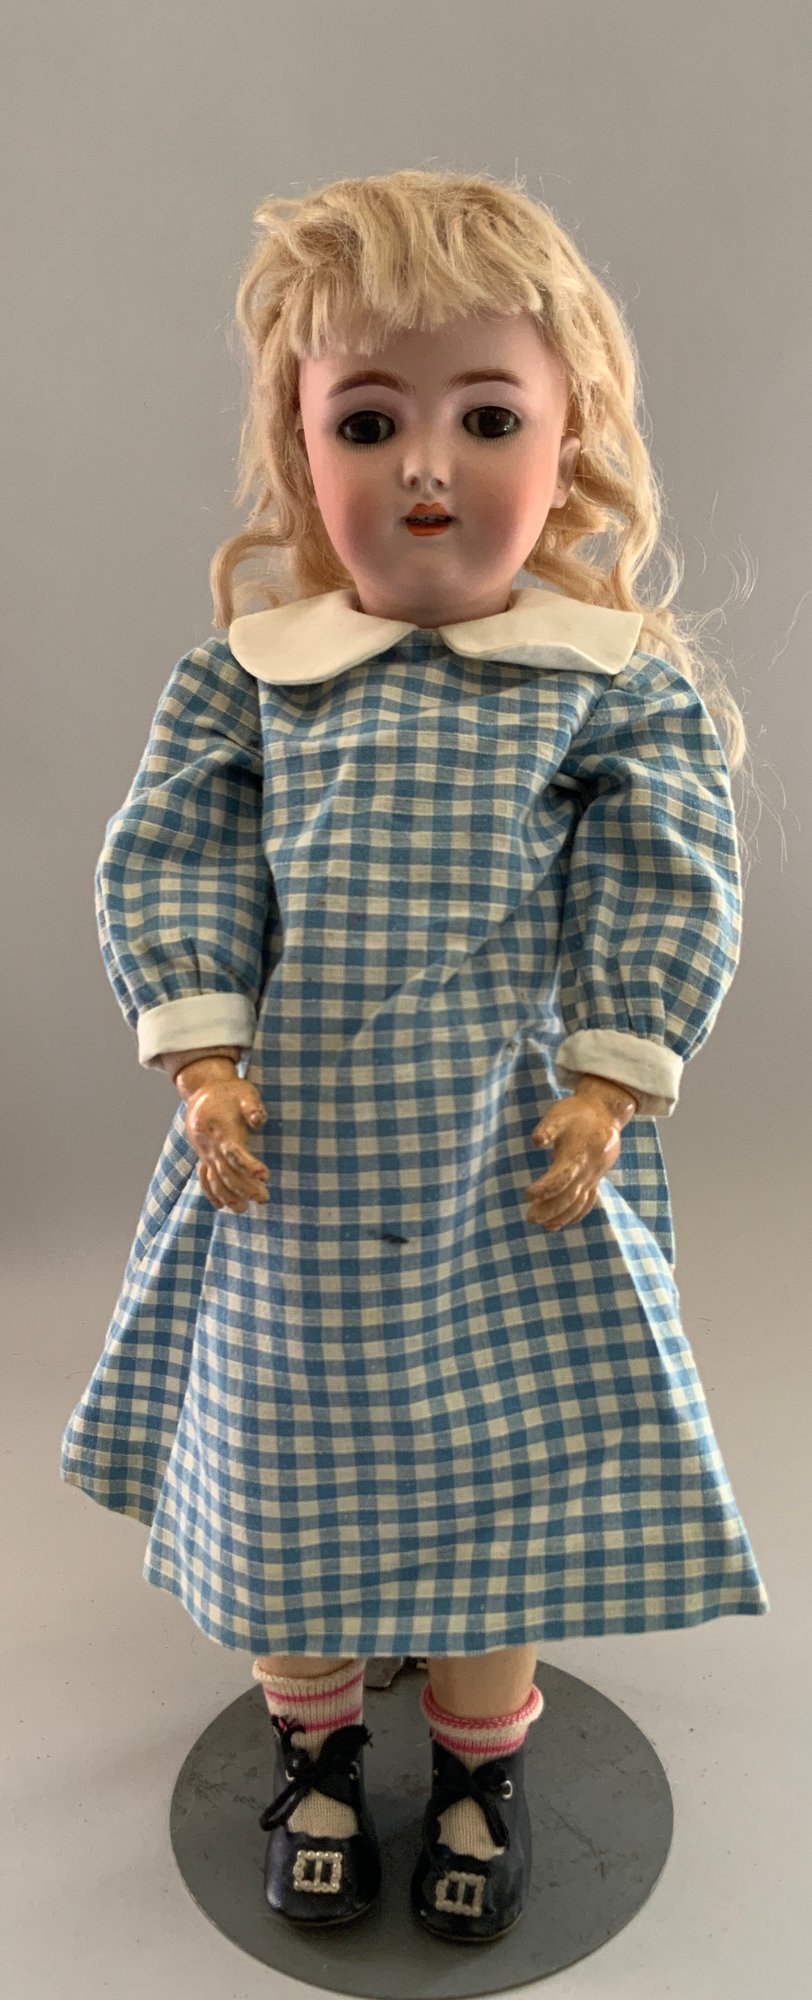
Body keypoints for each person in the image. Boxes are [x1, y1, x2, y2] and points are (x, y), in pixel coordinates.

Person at [61, 167, 769, 1943]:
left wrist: (610, 1075)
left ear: (568, 437)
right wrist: (204, 1059)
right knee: (287, 1468)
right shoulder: (253, 680)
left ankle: (477, 1766)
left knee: (499, 1483)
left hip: (507, 1175)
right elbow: (179, 860)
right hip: (291, 1179)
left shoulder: (603, 683)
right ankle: (313, 1747)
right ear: (303, 452)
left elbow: (663, 871)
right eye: (369, 421)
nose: (427, 467)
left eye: (488, 417)